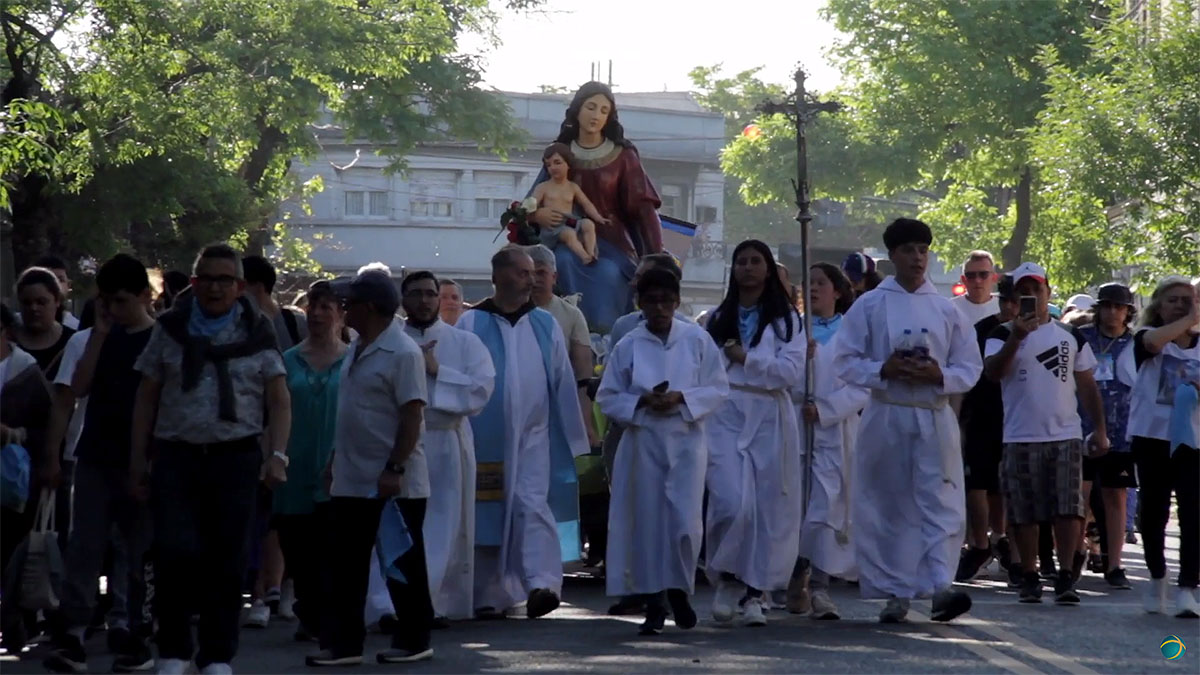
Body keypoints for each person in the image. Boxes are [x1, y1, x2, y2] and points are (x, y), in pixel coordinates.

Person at [130, 243, 290, 674]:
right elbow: (146, 397)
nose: (215, 288)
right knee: (173, 552)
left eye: (225, 280)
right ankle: (175, 651)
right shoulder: (170, 328)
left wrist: (277, 455)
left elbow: (278, 400)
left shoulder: (258, 331)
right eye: (207, 279)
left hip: (235, 457)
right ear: (195, 283)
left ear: (239, 287)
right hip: (176, 456)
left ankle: (217, 655)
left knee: (228, 558)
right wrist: (137, 463)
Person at [833, 218, 981, 624]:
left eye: (923, 250)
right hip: (887, 414)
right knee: (887, 501)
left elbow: (969, 366)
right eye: (909, 250)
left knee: (941, 500)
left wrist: (940, 377)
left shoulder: (946, 310)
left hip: (933, 416)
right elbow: (844, 361)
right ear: (893, 255)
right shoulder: (870, 305)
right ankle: (893, 589)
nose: (917, 258)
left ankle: (940, 586)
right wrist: (884, 370)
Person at [306, 269, 433, 666]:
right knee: (345, 564)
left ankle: (414, 639)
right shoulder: (357, 347)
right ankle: (344, 644)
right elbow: (351, 413)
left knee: (401, 561)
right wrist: (333, 460)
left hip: (392, 480)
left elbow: (412, 415)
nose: (344, 308)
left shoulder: (403, 352)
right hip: (352, 475)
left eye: (351, 302)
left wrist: (395, 467)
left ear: (371, 308)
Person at [455, 247, 590, 619]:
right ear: (497, 276)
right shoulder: (470, 324)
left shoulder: (544, 324)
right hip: (485, 439)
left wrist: (575, 435)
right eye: (522, 273)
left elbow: (562, 382)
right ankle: (487, 593)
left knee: (532, 505)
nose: (531, 279)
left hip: (534, 436)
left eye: (533, 273)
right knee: (486, 510)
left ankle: (541, 583)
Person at [597, 268, 728, 635]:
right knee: (648, 523)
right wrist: (641, 401)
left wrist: (682, 398)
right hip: (644, 441)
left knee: (684, 523)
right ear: (640, 303)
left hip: (685, 438)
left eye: (666, 300)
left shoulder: (696, 340)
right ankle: (654, 600)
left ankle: (680, 587)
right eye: (651, 301)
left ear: (676, 301)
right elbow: (608, 395)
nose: (659, 308)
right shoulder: (629, 345)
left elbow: (718, 388)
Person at [44, 254, 157, 674]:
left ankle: (130, 627)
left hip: (140, 458)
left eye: (122, 301)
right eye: (106, 301)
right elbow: (79, 388)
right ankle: (74, 629)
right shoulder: (97, 336)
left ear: (145, 297)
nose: (113, 310)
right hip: (94, 454)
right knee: (85, 544)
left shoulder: (159, 339)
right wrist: (100, 336)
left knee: (134, 548)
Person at [984, 262, 1109, 606]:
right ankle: (1028, 574)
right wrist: (1018, 337)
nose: (1031, 296)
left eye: (1037, 289)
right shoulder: (1000, 334)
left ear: (1048, 293)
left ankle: (1066, 575)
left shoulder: (1069, 335)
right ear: (1014, 296)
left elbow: (1086, 385)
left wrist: (1099, 429)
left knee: (1068, 508)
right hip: (1020, 434)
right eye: (1024, 290)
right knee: (1024, 511)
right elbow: (994, 373)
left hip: (1065, 434)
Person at [704, 239, 805, 628]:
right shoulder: (716, 318)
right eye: (741, 261)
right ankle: (727, 577)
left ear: (768, 268)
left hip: (769, 413)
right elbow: (706, 368)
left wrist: (747, 358)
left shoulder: (787, 322)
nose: (748, 267)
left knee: (766, 507)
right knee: (731, 501)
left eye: (755, 261)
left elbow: (790, 373)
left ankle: (755, 591)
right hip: (727, 413)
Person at [527, 82, 664, 334]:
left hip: (613, 243)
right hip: (564, 237)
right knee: (563, 261)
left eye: (604, 110)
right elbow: (531, 200)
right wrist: (537, 214)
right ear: (577, 110)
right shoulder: (560, 154)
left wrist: (655, 256)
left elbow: (644, 210)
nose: (596, 115)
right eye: (591, 107)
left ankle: (605, 337)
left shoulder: (623, 156)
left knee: (609, 273)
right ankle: (568, 332)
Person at [399, 271, 496, 622]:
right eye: (416, 294)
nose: (424, 301)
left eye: (430, 294)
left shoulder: (465, 342)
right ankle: (395, 604)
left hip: (448, 441)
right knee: (404, 525)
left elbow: (482, 389)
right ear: (403, 300)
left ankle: (436, 601)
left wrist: (438, 371)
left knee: (445, 523)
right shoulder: (393, 340)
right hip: (403, 445)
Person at [272, 280, 347, 643]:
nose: (317, 314)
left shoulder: (352, 361)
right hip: (293, 462)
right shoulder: (287, 361)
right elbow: (269, 412)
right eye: (312, 307)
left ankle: (327, 613)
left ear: (340, 314)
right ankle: (306, 606)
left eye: (326, 307)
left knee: (331, 545)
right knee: (296, 543)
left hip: (338, 466)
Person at [795, 263, 869, 621]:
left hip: (835, 432)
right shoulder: (793, 331)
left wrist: (825, 410)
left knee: (826, 508)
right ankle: (793, 577)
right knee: (794, 507)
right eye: (807, 283)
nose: (813, 289)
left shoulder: (851, 335)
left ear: (837, 291)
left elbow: (862, 386)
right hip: (793, 431)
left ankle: (820, 586)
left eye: (820, 283)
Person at [1123, 275, 1198, 618]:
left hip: (1192, 440)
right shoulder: (1144, 338)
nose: (1183, 304)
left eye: (1188, 299)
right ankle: (1157, 577)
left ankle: (1187, 588)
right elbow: (1153, 344)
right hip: (1152, 437)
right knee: (1152, 514)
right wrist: (1188, 320)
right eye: (1174, 300)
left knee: (1193, 513)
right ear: (1158, 307)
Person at [240, 255, 306, 627]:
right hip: (251, 432)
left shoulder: (292, 322)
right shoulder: (237, 325)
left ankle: (285, 588)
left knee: (286, 514)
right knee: (259, 514)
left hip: (290, 430)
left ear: (258, 287)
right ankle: (261, 592)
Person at [956, 274, 1019, 585]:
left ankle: (1003, 539)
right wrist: (959, 417)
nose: (1011, 307)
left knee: (1004, 486)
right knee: (977, 483)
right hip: (983, 413)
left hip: (1019, 417)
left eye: (1017, 301)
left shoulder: (1037, 333)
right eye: (1006, 300)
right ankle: (979, 543)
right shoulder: (984, 330)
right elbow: (968, 373)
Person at [0, 303, 53, 653]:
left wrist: (12, 434)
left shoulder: (25, 372)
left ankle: (14, 618)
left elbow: (46, 427)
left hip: (14, 481)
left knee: (10, 552)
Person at [1078, 283, 1138, 590]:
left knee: (1116, 495)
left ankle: (1115, 563)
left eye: (1119, 307)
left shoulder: (1135, 343)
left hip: (1121, 431)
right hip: (1081, 427)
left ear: (1129, 311)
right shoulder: (1083, 338)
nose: (1113, 312)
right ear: (1098, 308)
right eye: (1108, 306)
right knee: (1080, 494)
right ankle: (1075, 555)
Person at [532, 143, 608, 264]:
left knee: (588, 224)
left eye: (557, 162)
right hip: (553, 228)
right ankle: (584, 257)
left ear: (568, 164)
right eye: (549, 165)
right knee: (569, 234)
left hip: (570, 221)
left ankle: (591, 253)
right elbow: (531, 204)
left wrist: (598, 217)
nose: (553, 167)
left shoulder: (573, 187)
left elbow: (586, 204)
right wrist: (535, 213)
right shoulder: (543, 187)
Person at [14, 266, 76, 378]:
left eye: (41, 302)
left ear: (57, 301)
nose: (33, 308)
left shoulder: (73, 342)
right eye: (26, 303)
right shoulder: (7, 341)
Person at [31, 254, 80, 330]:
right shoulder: (16, 326)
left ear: (69, 285)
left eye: (60, 280)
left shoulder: (76, 328)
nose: (55, 285)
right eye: (47, 280)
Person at [952, 251, 1000, 326]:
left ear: (994, 278)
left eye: (983, 274)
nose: (977, 280)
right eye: (971, 275)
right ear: (963, 279)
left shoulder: (1004, 309)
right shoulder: (950, 308)